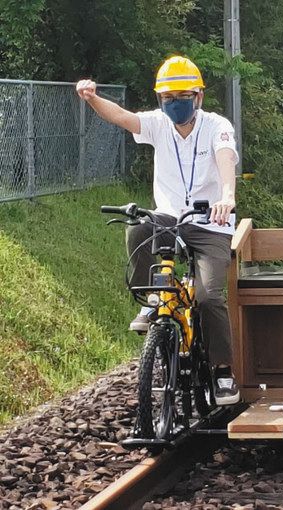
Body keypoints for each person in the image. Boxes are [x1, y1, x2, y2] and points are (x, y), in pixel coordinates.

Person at [76, 56, 240, 405]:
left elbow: (226, 159)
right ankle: (152, 299)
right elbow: (122, 117)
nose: (174, 103)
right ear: (160, 100)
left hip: (212, 223)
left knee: (210, 296)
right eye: (167, 97)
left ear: (198, 97)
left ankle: (224, 371)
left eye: (182, 96)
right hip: (169, 217)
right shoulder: (157, 124)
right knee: (138, 230)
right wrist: (92, 98)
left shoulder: (217, 126)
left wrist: (227, 197)